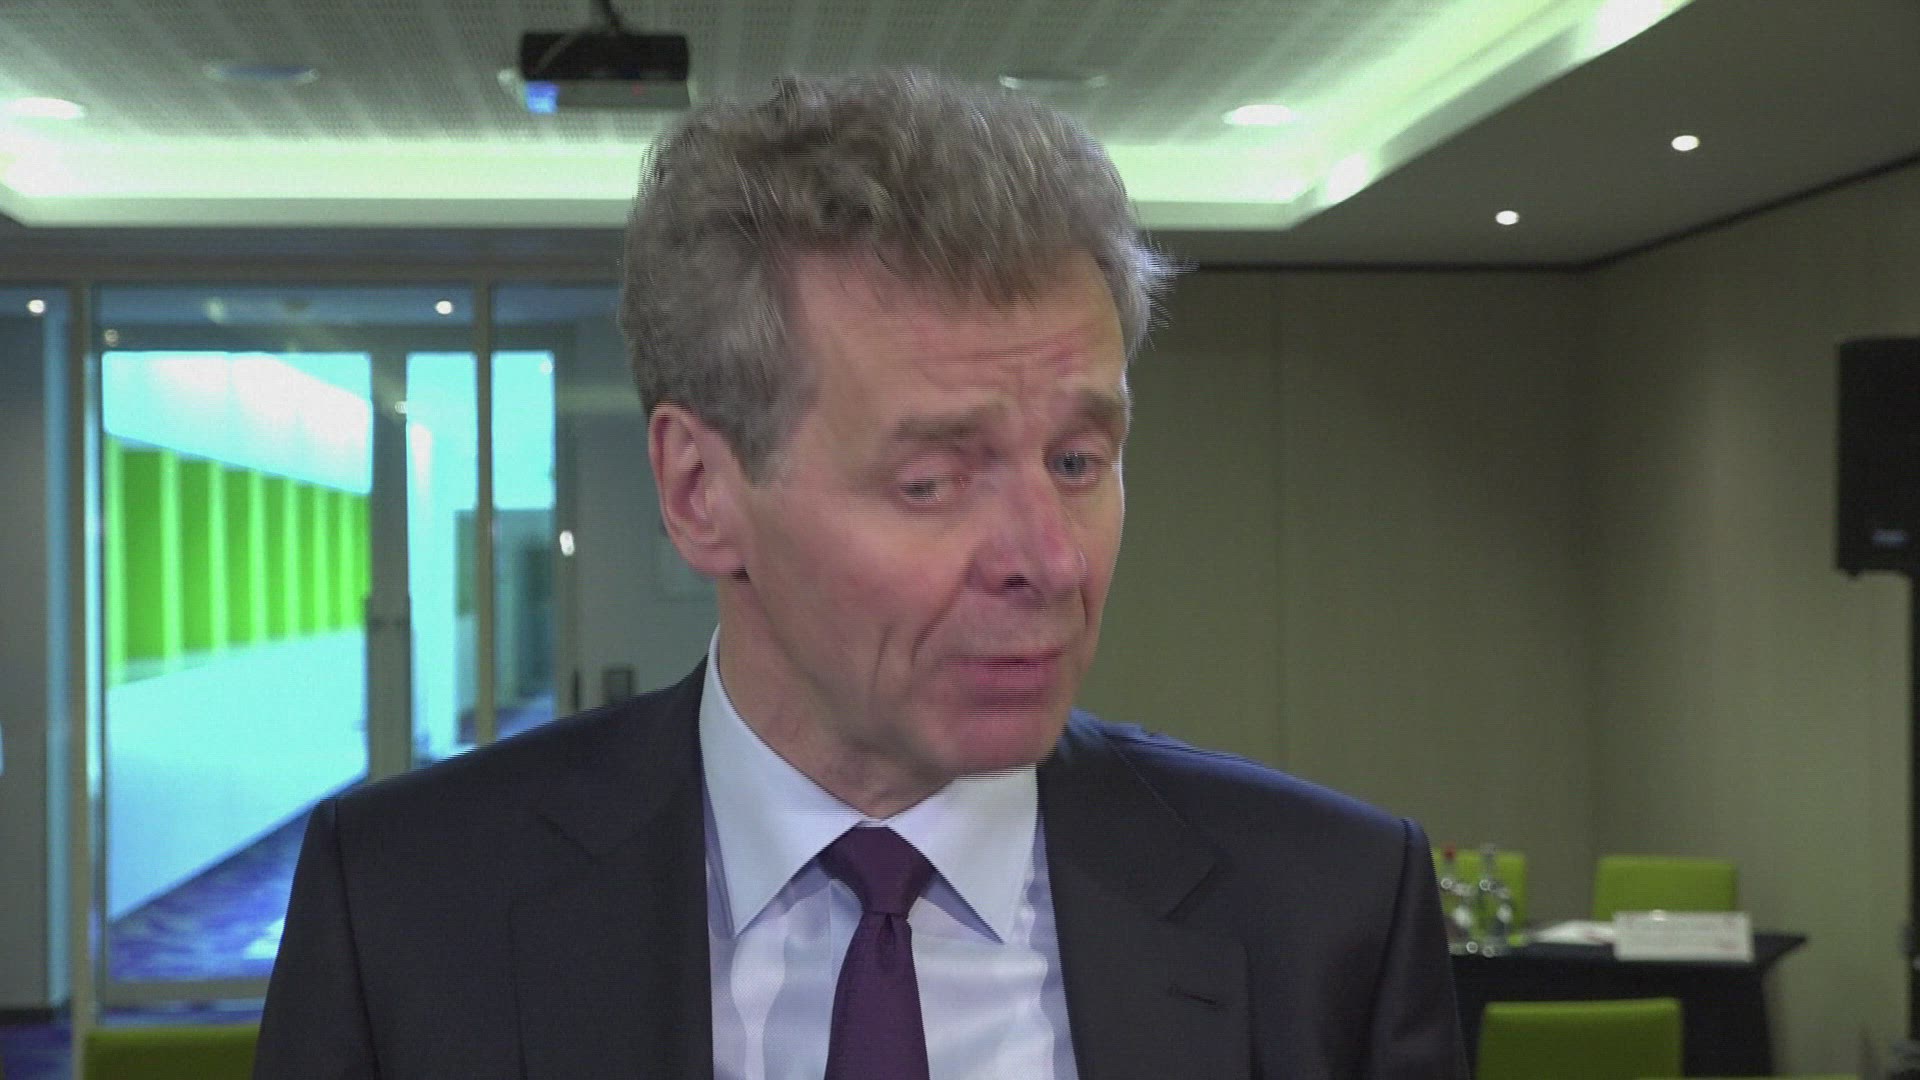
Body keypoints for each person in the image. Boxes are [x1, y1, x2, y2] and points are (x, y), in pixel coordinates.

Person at [255, 70, 1465, 1079]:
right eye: (932, 480)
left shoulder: (1329, 913)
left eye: (1077, 461)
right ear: (700, 492)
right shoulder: (407, 909)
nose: (1049, 562)